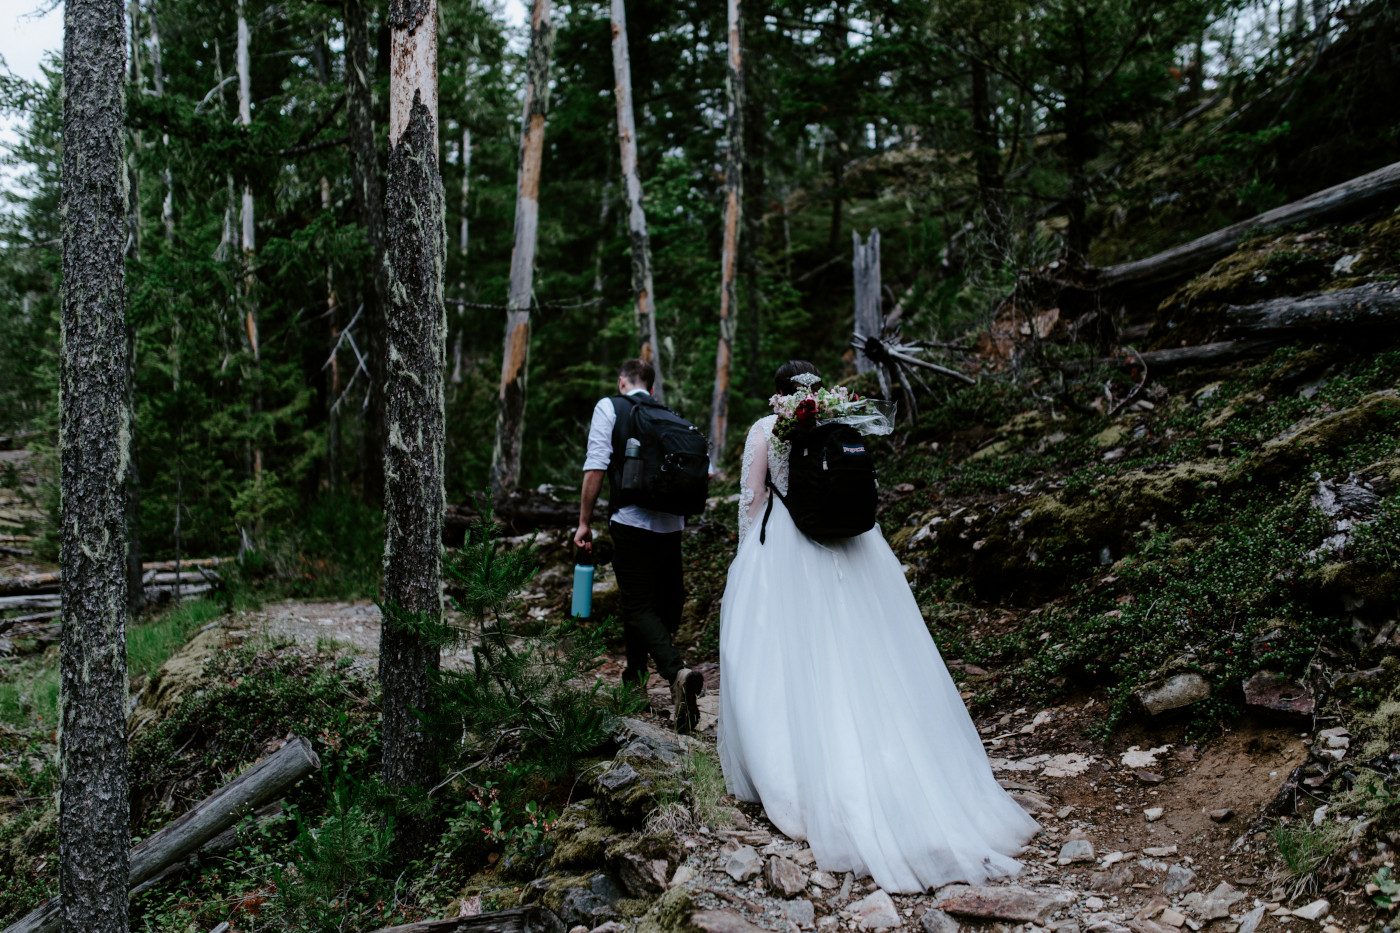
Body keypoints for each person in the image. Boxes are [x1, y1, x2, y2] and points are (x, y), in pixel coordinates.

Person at [717, 360, 1040, 893]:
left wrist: (746, 548)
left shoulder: (766, 429)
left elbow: (752, 497)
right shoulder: (839, 423)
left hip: (786, 551)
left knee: (776, 659)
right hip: (851, 549)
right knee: (861, 654)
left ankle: (796, 777)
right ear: (817, 391)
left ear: (777, 394)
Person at [575, 358, 705, 732]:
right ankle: (634, 682)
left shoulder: (610, 406)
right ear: (651, 388)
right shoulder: (667, 414)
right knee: (663, 605)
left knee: (637, 604)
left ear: (621, 383)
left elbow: (596, 465)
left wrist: (584, 523)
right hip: (670, 523)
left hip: (631, 521)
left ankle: (676, 672)